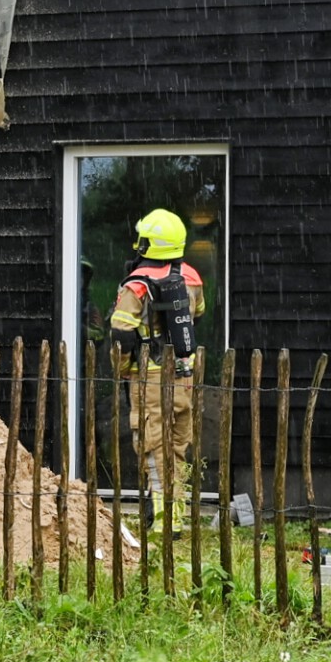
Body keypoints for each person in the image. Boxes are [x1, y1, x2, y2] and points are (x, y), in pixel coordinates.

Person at [107, 208, 206, 532]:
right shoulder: (191, 277)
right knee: (177, 444)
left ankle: (165, 519)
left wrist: (123, 368)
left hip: (148, 375)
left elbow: (121, 331)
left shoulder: (137, 285)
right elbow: (199, 315)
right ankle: (176, 511)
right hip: (184, 372)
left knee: (152, 443)